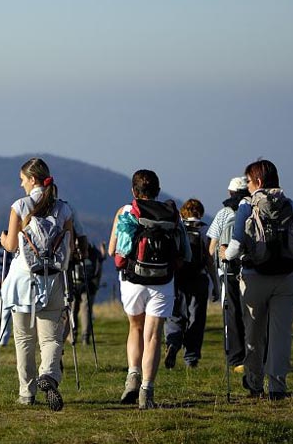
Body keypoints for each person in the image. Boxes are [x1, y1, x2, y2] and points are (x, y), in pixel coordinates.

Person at [220, 160, 293, 400]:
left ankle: (254, 381)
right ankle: (278, 386)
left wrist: (225, 255)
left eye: (249, 181)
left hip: (254, 277)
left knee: (254, 332)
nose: (247, 186)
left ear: (258, 181)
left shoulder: (246, 206)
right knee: (281, 334)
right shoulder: (290, 205)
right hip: (287, 277)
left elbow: (236, 245)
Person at [108, 169, 190, 409]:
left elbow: (114, 250)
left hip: (133, 279)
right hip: (163, 280)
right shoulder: (172, 214)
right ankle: (147, 391)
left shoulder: (125, 212)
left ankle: (132, 377)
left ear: (134, 191)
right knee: (153, 335)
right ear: (157, 190)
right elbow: (186, 252)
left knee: (135, 327)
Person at [0, 158, 75, 411]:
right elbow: (71, 247)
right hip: (52, 278)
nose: (20, 184)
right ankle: (49, 376)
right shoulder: (64, 209)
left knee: (23, 339)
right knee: (51, 338)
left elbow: (11, 246)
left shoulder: (20, 206)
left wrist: (2, 240)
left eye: (23, 179)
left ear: (32, 179)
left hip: (24, 280)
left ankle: (27, 392)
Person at [164, 199, 218, 369]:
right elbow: (209, 259)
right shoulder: (203, 229)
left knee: (175, 314)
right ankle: (191, 357)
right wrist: (215, 283)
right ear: (199, 212)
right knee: (196, 317)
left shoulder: (177, 227)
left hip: (177, 278)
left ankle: (172, 343)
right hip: (198, 278)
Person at [206, 176, 250, 373]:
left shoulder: (224, 213)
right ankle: (257, 355)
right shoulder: (252, 209)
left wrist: (214, 266)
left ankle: (236, 357)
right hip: (253, 268)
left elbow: (212, 245)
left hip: (228, 270)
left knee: (231, 312)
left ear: (229, 193)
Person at [70, 241, 106, 346]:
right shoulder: (93, 253)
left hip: (77, 284)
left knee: (73, 310)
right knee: (85, 310)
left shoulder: (73, 251)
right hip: (88, 285)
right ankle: (85, 337)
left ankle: (74, 334)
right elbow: (101, 259)